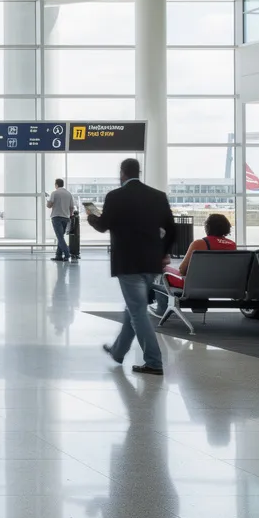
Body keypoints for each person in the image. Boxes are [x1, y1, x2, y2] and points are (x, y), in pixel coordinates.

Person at [87, 158, 176, 376]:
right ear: (138, 172)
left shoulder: (115, 197)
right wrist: (164, 253)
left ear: (122, 173)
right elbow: (172, 229)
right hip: (151, 263)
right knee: (134, 307)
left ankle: (154, 362)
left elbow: (102, 226)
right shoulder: (157, 196)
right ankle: (118, 351)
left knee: (137, 311)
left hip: (128, 263)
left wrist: (91, 218)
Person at [153, 213, 235, 315]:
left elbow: (182, 269)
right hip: (222, 284)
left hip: (195, 285)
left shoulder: (199, 244)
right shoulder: (232, 245)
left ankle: (162, 309)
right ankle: (198, 305)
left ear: (207, 227)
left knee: (162, 270)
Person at [47, 178, 75, 262]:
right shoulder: (68, 194)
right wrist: (70, 216)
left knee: (60, 237)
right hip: (66, 217)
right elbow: (71, 207)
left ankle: (67, 254)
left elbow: (49, 205)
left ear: (56, 185)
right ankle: (58, 255)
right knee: (61, 237)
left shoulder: (54, 193)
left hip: (56, 217)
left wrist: (47, 202)